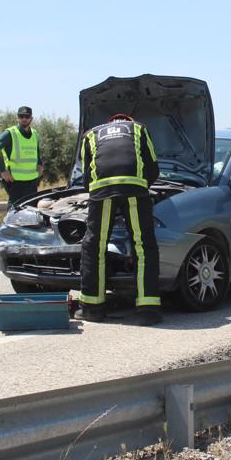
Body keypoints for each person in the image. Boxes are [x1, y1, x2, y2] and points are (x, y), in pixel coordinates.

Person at [76, 114, 162, 326]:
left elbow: (86, 175)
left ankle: (91, 308)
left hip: (101, 191)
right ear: (128, 121)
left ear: (108, 123)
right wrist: (139, 185)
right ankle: (147, 310)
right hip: (134, 188)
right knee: (143, 247)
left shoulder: (90, 134)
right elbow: (153, 168)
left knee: (94, 245)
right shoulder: (140, 128)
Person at [0, 106, 43, 206]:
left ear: (31, 118)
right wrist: (3, 171)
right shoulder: (10, 133)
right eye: (21, 116)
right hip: (16, 182)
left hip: (32, 182)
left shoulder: (35, 134)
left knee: (31, 215)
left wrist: (40, 164)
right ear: (17, 118)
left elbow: (37, 153)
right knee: (15, 214)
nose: (24, 119)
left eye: (27, 116)